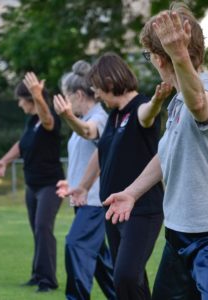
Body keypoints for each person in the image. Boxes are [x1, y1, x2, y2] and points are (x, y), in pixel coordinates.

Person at [103, 2, 208, 300]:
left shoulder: (207, 94)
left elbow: (199, 102)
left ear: (160, 59)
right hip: (178, 238)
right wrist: (132, 193)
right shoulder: (175, 104)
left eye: (150, 55)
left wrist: (179, 55)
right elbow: (166, 153)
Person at [69, 52, 172, 300]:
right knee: (127, 279)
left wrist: (158, 102)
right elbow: (101, 155)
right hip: (113, 211)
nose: (97, 95)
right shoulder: (114, 116)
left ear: (110, 83)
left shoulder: (140, 107)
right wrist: (83, 186)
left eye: (98, 89)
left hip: (141, 210)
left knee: (126, 275)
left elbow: (147, 115)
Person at [0, 73, 64, 293]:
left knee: (43, 228)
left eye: (21, 99)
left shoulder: (48, 117)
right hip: (32, 186)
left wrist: (38, 95)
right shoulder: (30, 121)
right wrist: (3, 161)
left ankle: (48, 281)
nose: (18, 103)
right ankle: (37, 274)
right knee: (37, 230)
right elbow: (21, 144)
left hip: (50, 186)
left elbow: (48, 120)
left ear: (31, 99)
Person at [53, 60, 116, 300]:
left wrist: (68, 116)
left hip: (95, 203)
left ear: (79, 95)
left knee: (75, 245)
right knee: (101, 261)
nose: (66, 102)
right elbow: (87, 159)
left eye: (68, 96)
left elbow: (89, 132)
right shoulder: (85, 118)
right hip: (83, 201)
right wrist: (70, 182)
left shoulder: (99, 118)